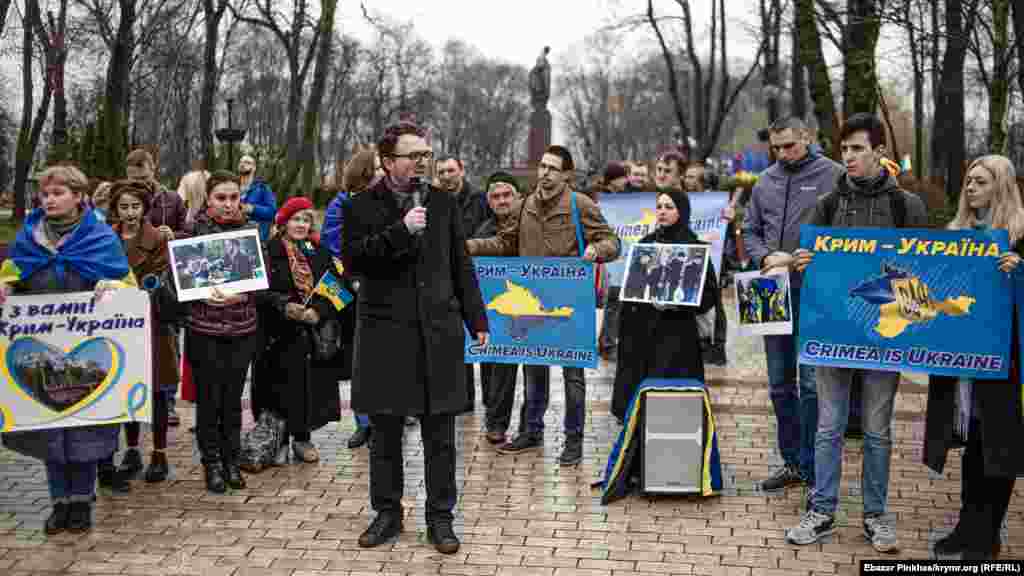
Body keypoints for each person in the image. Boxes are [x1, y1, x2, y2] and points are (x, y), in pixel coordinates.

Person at [342, 120, 488, 554]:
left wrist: (477, 319)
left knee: (440, 435)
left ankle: (440, 518)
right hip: (385, 334)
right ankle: (387, 512)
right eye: (414, 155)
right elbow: (355, 261)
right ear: (388, 162)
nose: (423, 162)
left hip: (437, 333)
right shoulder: (360, 205)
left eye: (426, 154)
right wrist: (401, 231)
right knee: (385, 433)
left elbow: (460, 263)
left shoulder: (443, 203)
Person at [786, 112, 928, 552]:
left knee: (877, 431)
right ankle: (821, 510)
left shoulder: (906, 206)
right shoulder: (828, 204)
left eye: (857, 149)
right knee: (828, 428)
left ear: (879, 151)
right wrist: (801, 261)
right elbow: (805, 259)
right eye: (844, 149)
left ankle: (876, 516)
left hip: (884, 335)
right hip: (833, 332)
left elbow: (924, 273)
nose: (848, 156)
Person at [0, 165, 137, 535]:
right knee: (51, 428)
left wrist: (112, 288)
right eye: (45, 194)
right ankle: (59, 503)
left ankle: (81, 502)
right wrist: (7, 287)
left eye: (58, 193)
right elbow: (12, 272)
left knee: (84, 430)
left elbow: (126, 280)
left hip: (87, 350)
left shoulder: (100, 237)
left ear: (78, 197)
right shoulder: (29, 237)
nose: (49, 200)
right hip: (43, 348)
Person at [466, 145, 620, 466]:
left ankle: (573, 439)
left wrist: (596, 250)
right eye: (543, 166)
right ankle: (531, 431)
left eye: (553, 168)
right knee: (534, 370)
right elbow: (505, 242)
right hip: (533, 303)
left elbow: (612, 242)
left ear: (566, 175)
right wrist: (469, 246)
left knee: (573, 376)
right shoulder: (525, 205)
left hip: (569, 303)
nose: (545, 173)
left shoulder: (580, 204)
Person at [924, 155, 1024, 560]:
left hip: (1006, 361)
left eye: (980, 182)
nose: (970, 188)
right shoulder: (955, 235)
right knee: (972, 445)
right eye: (968, 181)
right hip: (962, 359)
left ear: (1001, 186)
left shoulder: (1019, 236)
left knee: (996, 445)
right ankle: (967, 527)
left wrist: (1020, 271)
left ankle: (988, 533)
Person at [741, 116, 843, 494]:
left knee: (812, 385)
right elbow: (749, 229)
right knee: (779, 383)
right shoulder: (764, 180)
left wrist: (810, 257)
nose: (783, 154)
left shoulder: (833, 175)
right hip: (768, 288)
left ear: (807, 137)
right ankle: (792, 462)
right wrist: (763, 256)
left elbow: (844, 234)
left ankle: (814, 464)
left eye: (790, 146)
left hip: (816, 291)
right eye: (776, 148)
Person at [184, 170, 266, 493]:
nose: (228, 204)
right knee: (209, 399)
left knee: (232, 399)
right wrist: (199, 294)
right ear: (208, 199)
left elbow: (264, 281)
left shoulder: (251, 232)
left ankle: (232, 459)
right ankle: (212, 462)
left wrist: (244, 294)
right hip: (204, 328)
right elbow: (178, 282)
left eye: (234, 197)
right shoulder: (192, 233)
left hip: (241, 328)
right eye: (221, 198)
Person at [612, 189, 717, 421]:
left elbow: (709, 294)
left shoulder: (695, 247)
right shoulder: (645, 244)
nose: (662, 211)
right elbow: (632, 289)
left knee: (672, 396)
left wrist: (678, 305)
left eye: (669, 207)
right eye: (659, 206)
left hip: (677, 333)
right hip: (643, 332)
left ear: (682, 212)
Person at [105, 179, 180, 483]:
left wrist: (128, 288)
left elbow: (158, 276)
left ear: (145, 208)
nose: (130, 212)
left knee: (158, 392)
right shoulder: (106, 238)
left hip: (153, 323)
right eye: (123, 206)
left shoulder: (158, 238)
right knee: (127, 389)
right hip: (116, 324)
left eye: (135, 206)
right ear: (115, 209)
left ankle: (159, 453)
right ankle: (132, 450)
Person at [261, 196, 342, 464]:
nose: (301, 225)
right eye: (295, 219)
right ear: (284, 222)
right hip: (277, 332)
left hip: (311, 333)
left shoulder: (317, 250)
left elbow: (337, 288)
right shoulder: (269, 250)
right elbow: (259, 291)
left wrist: (317, 311)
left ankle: (302, 438)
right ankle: (279, 440)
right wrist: (284, 306)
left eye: (306, 220)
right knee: (278, 388)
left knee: (307, 390)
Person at [323, 147, 379, 449]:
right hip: (351, 290)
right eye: (378, 167)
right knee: (359, 358)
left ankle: (386, 417)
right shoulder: (341, 204)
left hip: (384, 287)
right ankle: (364, 423)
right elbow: (332, 246)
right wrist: (353, 277)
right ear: (365, 172)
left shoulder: (387, 200)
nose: (383, 171)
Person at [472, 172, 524, 445]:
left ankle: (519, 425)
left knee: (518, 369)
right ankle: (494, 418)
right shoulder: (483, 230)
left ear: (518, 197)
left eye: (507, 195)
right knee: (490, 363)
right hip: (494, 309)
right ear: (489, 201)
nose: (502, 201)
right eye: (496, 196)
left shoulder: (529, 226)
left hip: (527, 308)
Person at [437, 155, 492, 412]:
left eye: (450, 170)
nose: (446, 176)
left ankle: (490, 399)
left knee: (484, 335)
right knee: (457, 339)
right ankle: (464, 398)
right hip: (449, 277)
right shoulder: (435, 201)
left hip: (483, 275)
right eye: (441, 172)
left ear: (462, 170)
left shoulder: (480, 199)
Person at [125, 149, 186, 240]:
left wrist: (173, 235)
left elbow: (188, 232)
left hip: (164, 248)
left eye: (144, 178)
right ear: (127, 175)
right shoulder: (119, 201)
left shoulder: (173, 199)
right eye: (135, 179)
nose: (140, 183)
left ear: (153, 170)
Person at [237, 155, 277, 242]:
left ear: (254, 168)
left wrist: (253, 209)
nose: (243, 164)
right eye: (241, 162)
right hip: (236, 235)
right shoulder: (233, 186)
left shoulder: (263, 187)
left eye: (247, 163)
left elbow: (272, 211)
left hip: (257, 238)